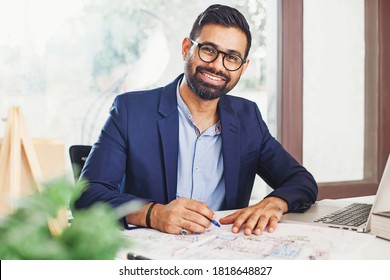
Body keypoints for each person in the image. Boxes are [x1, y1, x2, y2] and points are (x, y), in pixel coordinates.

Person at [74, 4, 317, 236]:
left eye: (232, 58)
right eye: (208, 50)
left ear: (243, 68)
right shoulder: (131, 110)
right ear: (185, 48)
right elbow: (87, 195)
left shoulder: (247, 117)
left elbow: (301, 181)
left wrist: (275, 202)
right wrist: (154, 214)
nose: (217, 66)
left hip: (223, 252)